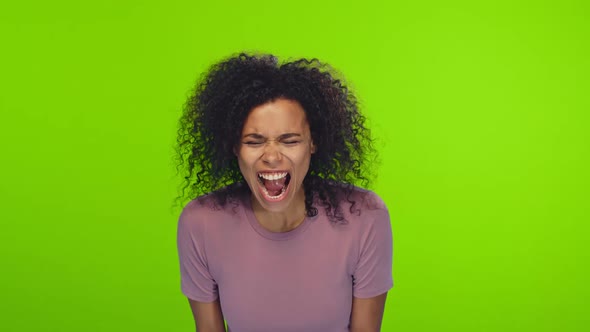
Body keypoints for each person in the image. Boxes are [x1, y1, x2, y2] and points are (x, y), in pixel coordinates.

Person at [175, 53, 393, 332]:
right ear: (234, 148)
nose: (272, 156)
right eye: (254, 141)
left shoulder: (364, 217)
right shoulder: (201, 223)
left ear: (313, 143)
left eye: (289, 140)